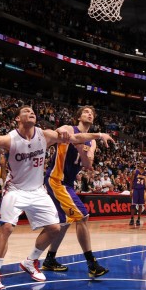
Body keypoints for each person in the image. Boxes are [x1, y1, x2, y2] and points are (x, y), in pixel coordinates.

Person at [0, 105, 114, 290]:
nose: (31, 112)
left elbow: (77, 138)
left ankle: (30, 261)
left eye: (33, 111)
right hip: (16, 189)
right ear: (17, 119)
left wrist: (99, 135)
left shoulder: (45, 135)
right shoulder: (7, 139)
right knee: (7, 227)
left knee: (55, 228)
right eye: (26, 111)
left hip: (37, 190)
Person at [42, 106, 109, 278]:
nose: (90, 114)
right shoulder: (68, 129)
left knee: (64, 223)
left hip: (68, 183)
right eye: (86, 112)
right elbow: (57, 133)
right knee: (83, 217)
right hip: (56, 179)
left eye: (92, 113)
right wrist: (67, 138)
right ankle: (92, 263)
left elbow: (87, 165)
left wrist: (81, 149)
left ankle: (49, 259)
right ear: (79, 116)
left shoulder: (91, 142)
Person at [130, 161, 146, 226]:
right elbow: (131, 181)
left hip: (142, 190)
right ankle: (132, 219)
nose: (142, 164)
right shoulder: (135, 171)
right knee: (133, 205)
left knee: (140, 205)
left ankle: (138, 219)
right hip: (136, 189)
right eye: (141, 163)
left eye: (143, 163)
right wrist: (131, 190)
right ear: (139, 164)